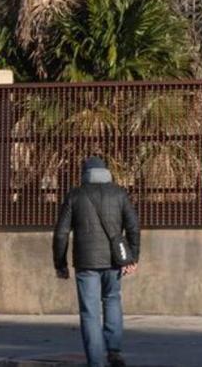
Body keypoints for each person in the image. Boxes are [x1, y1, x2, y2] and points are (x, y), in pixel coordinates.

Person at [53, 156, 141, 367]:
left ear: (84, 174)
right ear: (106, 172)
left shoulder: (74, 195)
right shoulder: (119, 194)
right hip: (114, 260)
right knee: (112, 300)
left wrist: (60, 263)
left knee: (90, 311)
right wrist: (132, 258)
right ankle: (114, 350)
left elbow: (61, 234)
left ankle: (95, 362)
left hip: (86, 263)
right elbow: (133, 227)